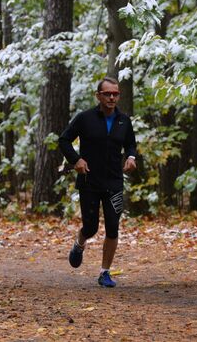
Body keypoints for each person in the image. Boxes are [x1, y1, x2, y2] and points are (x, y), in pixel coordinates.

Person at [58, 77, 137, 287]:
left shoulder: (124, 121)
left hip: (114, 183)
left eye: (115, 94)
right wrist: (76, 160)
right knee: (91, 227)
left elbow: (130, 144)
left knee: (113, 227)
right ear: (98, 96)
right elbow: (64, 140)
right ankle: (79, 243)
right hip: (89, 181)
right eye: (107, 94)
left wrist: (131, 157)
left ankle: (105, 272)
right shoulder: (84, 118)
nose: (112, 97)